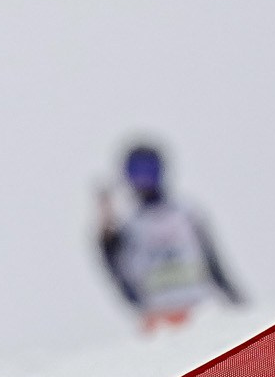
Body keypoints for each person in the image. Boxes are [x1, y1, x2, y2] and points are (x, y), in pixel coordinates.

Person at [97, 141, 243, 331]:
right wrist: (106, 241)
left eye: (149, 170)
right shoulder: (129, 227)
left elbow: (214, 263)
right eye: (136, 172)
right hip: (159, 319)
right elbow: (118, 272)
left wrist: (237, 302)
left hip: (200, 312)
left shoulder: (187, 213)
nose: (143, 179)